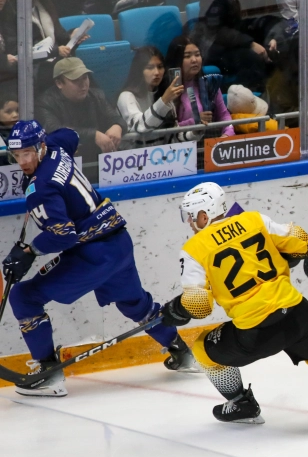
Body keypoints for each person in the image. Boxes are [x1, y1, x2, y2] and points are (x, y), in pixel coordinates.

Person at [158, 182, 308, 423]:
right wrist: (285, 256)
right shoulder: (254, 220)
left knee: (202, 348)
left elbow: (199, 306)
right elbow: (303, 242)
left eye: (190, 217)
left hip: (255, 333)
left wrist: (176, 310)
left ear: (204, 214)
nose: (189, 223)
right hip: (298, 314)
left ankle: (242, 404)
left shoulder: (193, 249)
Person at [2, 121, 195, 397]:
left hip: (91, 254)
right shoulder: (58, 147)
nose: (23, 162)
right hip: (118, 243)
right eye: (16, 156)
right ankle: (183, 353)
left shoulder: (41, 188)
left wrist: (30, 251)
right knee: (134, 303)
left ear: (41, 146)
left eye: (28, 153)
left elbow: (64, 235)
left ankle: (48, 373)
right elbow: (72, 133)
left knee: (23, 297)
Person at [35, 57, 124, 179]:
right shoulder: (44, 103)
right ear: (59, 83)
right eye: (76, 80)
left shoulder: (97, 95)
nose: (83, 84)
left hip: (98, 167)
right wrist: (93, 135)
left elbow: (116, 118)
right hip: (62, 172)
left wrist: (117, 126)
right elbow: (54, 130)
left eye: (85, 78)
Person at [163, 34, 236, 140]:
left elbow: (224, 115)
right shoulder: (167, 90)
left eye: (197, 55)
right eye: (187, 56)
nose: (194, 60)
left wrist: (227, 135)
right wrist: (195, 121)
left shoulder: (209, 83)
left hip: (207, 143)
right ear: (176, 60)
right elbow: (167, 129)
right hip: (179, 149)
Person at [194, 0, 272, 92]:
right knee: (250, 57)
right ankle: (248, 93)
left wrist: (272, 35)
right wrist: (250, 43)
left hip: (232, 45)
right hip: (213, 48)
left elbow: (262, 18)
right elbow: (214, 29)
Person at [117, 46, 184, 139]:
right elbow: (139, 126)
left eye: (160, 67)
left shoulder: (164, 95)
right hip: (136, 152)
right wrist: (163, 101)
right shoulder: (126, 96)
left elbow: (174, 137)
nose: (157, 72)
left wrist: (194, 133)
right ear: (139, 71)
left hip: (163, 152)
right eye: (150, 67)